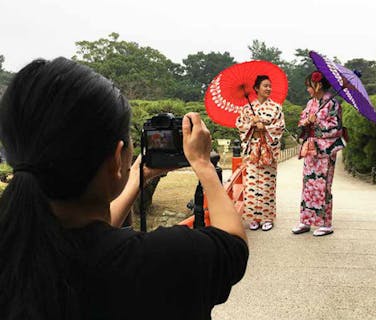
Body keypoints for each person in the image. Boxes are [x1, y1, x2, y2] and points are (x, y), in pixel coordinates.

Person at [0, 57, 248, 319]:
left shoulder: (16, 254)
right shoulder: (164, 258)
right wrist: (203, 165)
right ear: (118, 158)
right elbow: (233, 245)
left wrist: (136, 179)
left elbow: (93, 234)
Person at [292, 71, 344, 237]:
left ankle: (325, 223)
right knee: (308, 184)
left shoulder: (333, 103)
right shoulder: (311, 103)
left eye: (309, 86)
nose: (307, 89)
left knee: (323, 186)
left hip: (325, 151)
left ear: (318, 85)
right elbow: (302, 121)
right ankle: (306, 220)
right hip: (311, 149)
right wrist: (306, 122)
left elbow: (336, 128)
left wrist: (318, 122)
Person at [236, 75, 285, 231]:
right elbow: (240, 125)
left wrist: (266, 128)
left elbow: (280, 127)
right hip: (252, 149)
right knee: (251, 184)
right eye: (265, 86)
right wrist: (252, 123)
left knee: (267, 184)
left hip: (267, 149)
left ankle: (267, 217)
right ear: (256, 88)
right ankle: (253, 218)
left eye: (270, 86)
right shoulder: (246, 108)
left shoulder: (276, 107)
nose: (268, 89)